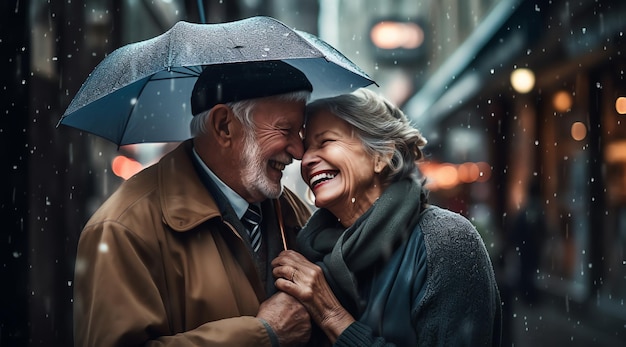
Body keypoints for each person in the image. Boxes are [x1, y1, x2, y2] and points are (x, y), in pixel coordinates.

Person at [73, 61, 315, 346]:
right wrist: (262, 334)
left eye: (300, 132)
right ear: (224, 125)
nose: (299, 151)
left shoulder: (292, 212)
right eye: (285, 130)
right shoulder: (124, 229)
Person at [271, 88, 502, 346]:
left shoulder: (447, 241)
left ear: (382, 156)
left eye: (325, 142)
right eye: (306, 148)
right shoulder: (305, 251)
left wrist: (332, 316)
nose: (307, 160)